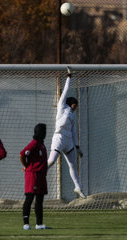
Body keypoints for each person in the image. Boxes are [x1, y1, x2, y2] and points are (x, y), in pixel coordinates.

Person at [47, 67, 85, 199]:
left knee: (73, 165)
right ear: (71, 103)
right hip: (59, 137)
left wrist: (77, 146)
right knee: (51, 161)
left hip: (68, 141)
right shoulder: (62, 107)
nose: (76, 106)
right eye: (75, 104)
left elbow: (74, 132)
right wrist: (69, 77)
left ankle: (78, 187)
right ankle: (41, 172)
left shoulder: (73, 116)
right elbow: (66, 91)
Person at [20, 123, 50, 230]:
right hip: (33, 175)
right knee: (29, 198)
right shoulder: (34, 144)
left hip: (41, 176)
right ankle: (26, 223)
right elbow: (23, 154)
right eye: (44, 131)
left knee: (40, 199)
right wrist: (26, 166)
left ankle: (39, 224)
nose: (45, 133)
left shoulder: (42, 145)